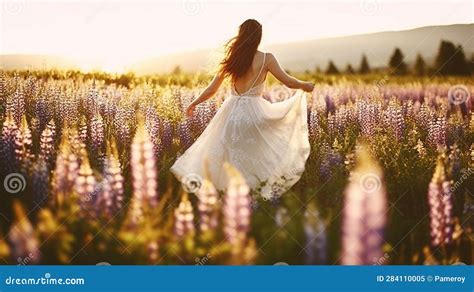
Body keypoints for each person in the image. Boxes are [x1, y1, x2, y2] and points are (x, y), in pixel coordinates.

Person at [171, 19, 314, 200]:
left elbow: (211, 89)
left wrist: (194, 103)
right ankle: (251, 195)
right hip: (255, 113)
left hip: (230, 112)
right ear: (258, 37)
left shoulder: (232, 58)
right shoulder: (266, 58)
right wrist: (306, 85)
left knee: (226, 155)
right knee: (256, 154)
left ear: (241, 35)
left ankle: (227, 195)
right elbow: (289, 82)